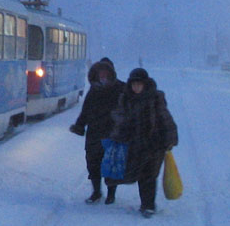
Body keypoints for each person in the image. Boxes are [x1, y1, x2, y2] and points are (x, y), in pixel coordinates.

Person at [113, 67, 178, 217]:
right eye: (134, 84)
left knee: (149, 175)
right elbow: (120, 118)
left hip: (154, 144)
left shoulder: (155, 98)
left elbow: (165, 118)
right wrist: (117, 135)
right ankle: (146, 203)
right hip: (135, 144)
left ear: (145, 84)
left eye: (139, 84)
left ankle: (148, 205)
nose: (136, 87)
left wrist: (170, 139)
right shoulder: (126, 99)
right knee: (141, 175)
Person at [69, 58, 126, 204]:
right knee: (93, 163)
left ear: (111, 72)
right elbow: (86, 110)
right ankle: (96, 192)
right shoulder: (94, 89)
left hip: (113, 133)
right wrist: (80, 125)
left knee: (111, 164)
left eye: (105, 72)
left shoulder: (121, 88)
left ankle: (111, 194)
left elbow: (130, 109)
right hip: (94, 133)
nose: (103, 76)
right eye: (100, 73)